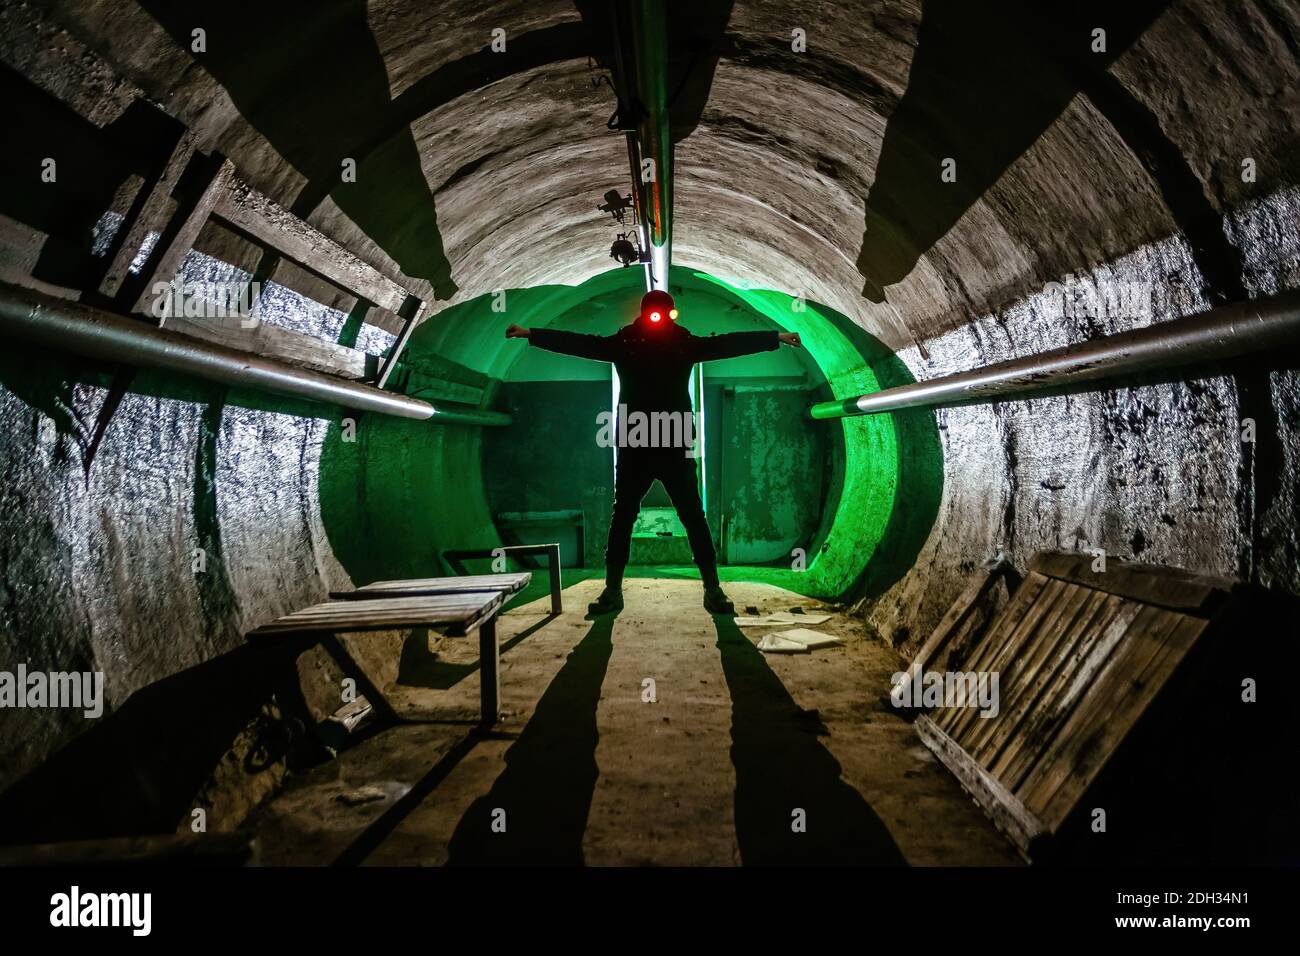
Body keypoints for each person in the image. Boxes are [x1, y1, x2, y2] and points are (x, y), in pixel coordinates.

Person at [505, 289, 803, 615]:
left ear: (670, 314)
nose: (658, 320)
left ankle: (711, 590)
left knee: (691, 517)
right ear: (646, 314)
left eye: (664, 314)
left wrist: (775, 337)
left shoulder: (680, 343)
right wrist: (532, 335)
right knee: (626, 518)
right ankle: (614, 591)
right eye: (656, 314)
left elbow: (727, 344)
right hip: (639, 444)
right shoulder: (628, 343)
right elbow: (581, 344)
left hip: (669, 443)